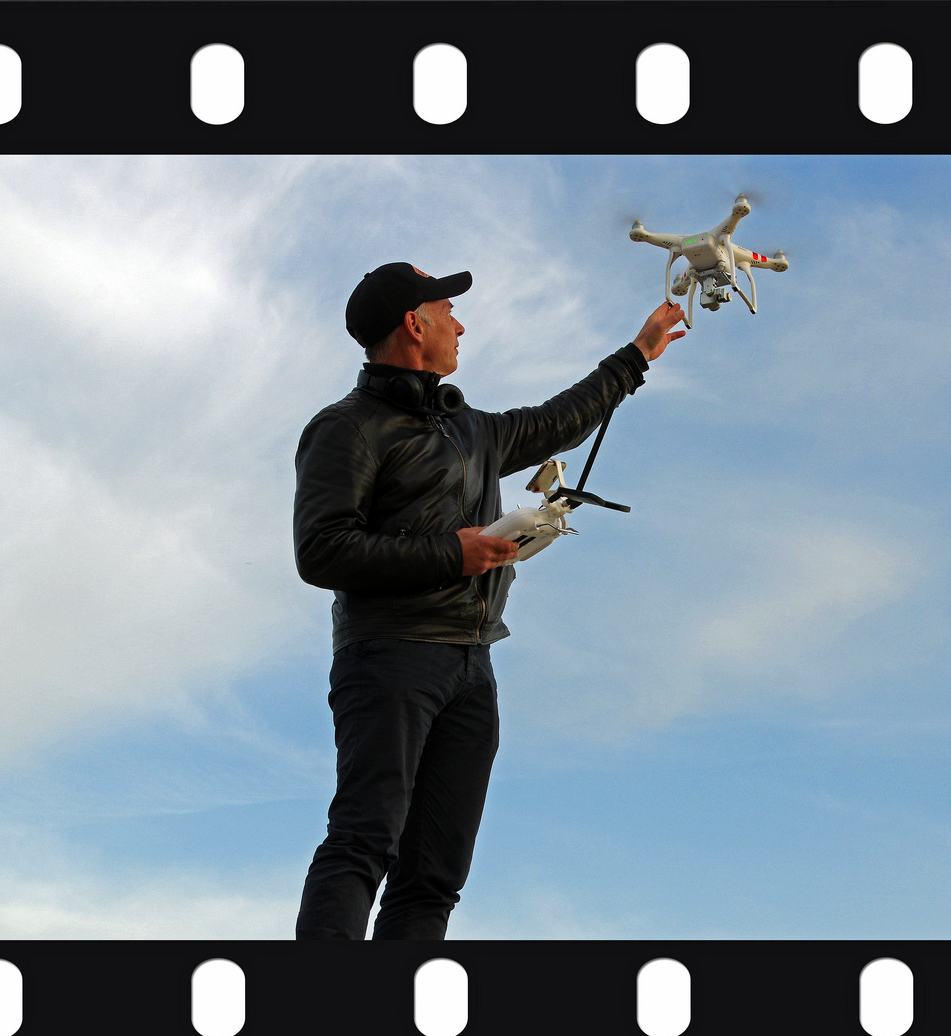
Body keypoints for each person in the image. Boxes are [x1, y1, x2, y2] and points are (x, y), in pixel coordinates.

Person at [292, 261, 685, 940]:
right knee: (363, 842)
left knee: (434, 880)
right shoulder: (347, 429)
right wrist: (456, 553)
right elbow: (321, 551)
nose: (460, 323)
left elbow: (559, 420)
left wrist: (638, 354)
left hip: (472, 669)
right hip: (390, 658)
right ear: (414, 325)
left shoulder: (470, 429)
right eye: (447, 311)